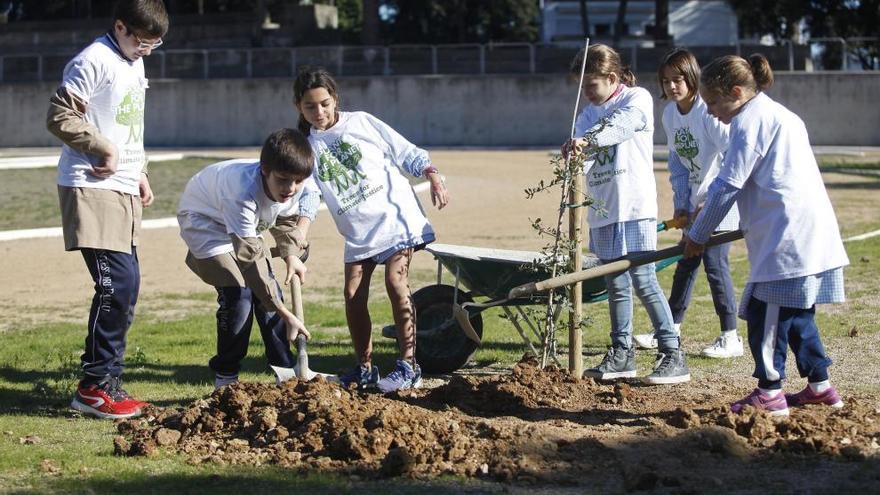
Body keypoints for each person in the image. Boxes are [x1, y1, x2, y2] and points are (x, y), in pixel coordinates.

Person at [685, 54, 849, 416]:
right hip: (799, 232)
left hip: (788, 237)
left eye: (713, 101)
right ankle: (820, 387)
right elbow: (743, 181)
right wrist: (703, 216)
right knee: (797, 317)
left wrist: (698, 234)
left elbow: (729, 184)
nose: (710, 111)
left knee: (765, 317)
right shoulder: (777, 114)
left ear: (738, 92)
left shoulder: (750, 121)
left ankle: (770, 391)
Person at [46, 0, 168, 419]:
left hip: (123, 186)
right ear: (120, 27)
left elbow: (129, 123)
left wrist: (140, 170)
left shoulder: (135, 61)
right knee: (116, 285)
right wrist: (102, 147)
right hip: (91, 185)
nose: (147, 50)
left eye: (156, 44)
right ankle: (94, 388)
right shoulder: (92, 60)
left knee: (127, 286)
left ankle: (108, 382)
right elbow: (59, 115)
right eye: (143, 41)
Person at [292, 67, 449, 393]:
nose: (318, 112)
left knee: (395, 280)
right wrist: (302, 230)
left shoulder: (361, 122)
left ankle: (409, 366)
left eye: (324, 103)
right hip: (360, 232)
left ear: (335, 99)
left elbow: (406, 152)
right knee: (352, 294)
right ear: (299, 108)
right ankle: (364, 368)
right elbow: (309, 194)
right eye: (310, 107)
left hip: (395, 219)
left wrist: (432, 174)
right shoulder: (307, 147)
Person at [563, 44, 689, 385]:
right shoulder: (586, 113)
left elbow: (620, 128)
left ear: (612, 78)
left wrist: (586, 141)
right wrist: (573, 155)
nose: (586, 93)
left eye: (591, 85)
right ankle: (622, 354)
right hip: (602, 212)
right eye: (582, 87)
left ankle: (673, 353)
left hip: (634, 207)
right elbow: (583, 159)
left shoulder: (637, 99)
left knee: (644, 280)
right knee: (615, 284)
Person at [177, 129, 318, 390]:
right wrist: (285, 313)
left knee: (269, 293)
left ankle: (285, 371)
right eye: (284, 180)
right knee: (239, 295)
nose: (291, 189)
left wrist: (291, 255)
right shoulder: (240, 193)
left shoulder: (295, 182)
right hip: (206, 223)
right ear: (265, 170)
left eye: (297, 182)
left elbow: (287, 219)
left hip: (245, 227)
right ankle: (226, 377)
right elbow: (249, 258)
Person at [632, 48, 743, 359]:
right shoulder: (670, 115)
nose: (672, 86)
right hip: (694, 208)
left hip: (721, 205)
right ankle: (670, 329)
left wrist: (711, 201)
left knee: (715, 266)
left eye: (678, 79)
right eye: (666, 81)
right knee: (686, 264)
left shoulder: (707, 112)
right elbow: (679, 165)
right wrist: (682, 204)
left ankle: (730, 336)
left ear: (692, 77)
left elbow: (733, 156)